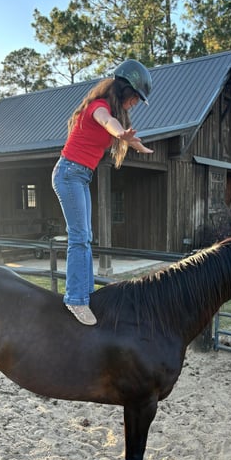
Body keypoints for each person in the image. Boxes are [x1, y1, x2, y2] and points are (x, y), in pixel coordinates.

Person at [52, 59, 154, 325]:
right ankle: (75, 299)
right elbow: (107, 122)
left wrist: (136, 144)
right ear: (123, 89)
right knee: (79, 237)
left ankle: (86, 294)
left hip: (80, 176)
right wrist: (122, 135)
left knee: (87, 236)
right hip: (68, 173)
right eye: (134, 97)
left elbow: (115, 126)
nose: (133, 103)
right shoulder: (99, 107)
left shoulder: (112, 110)